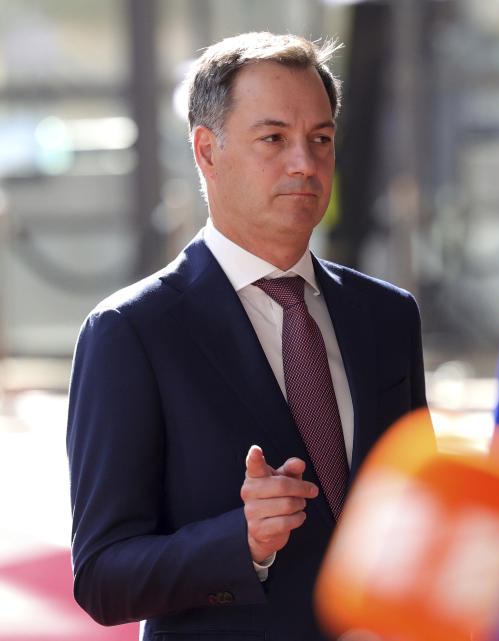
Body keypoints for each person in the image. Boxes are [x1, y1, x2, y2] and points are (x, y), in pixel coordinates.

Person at [66, 32, 427, 640]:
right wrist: (242, 542)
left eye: (321, 139)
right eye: (274, 139)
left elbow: (414, 517)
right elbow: (103, 577)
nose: (304, 163)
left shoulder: (388, 316)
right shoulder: (131, 332)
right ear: (208, 151)